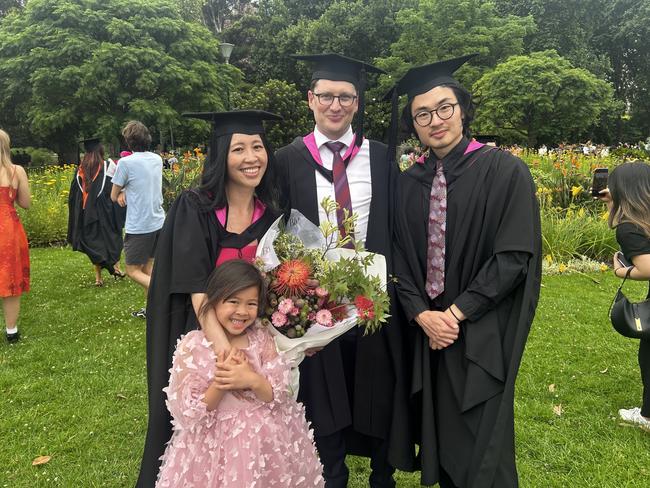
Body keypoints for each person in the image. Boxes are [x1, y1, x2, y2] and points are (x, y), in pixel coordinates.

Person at [389, 54, 542, 487]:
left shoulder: (504, 171)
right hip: (426, 331)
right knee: (439, 439)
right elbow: (398, 255)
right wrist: (422, 314)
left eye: (444, 107)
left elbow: (514, 256)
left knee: (482, 445)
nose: (435, 120)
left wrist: (455, 314)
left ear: (463, 110)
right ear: (413, 125)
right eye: (422, 114)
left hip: (478, 327)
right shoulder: (407, 182)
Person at [274, 54, 413, 487]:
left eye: (346, 97)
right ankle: (331, 473)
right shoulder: (288, 160)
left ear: (357, 103)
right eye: (327, 96)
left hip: (373, 300)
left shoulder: (383, 157)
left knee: (379, 387)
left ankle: (381, 474)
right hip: (319, 303)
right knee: (324, 391)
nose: (336, 105)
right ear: (311, 100)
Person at [136, 110, 283, 487]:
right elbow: (195, 285)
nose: (251, 158)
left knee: (248, 434)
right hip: (199, 334)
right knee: (198, 432)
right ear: (221, 156)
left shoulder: (271, 217)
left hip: (251, 334)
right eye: (239, 149)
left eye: (258, 147)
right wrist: (224, 351)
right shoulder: (196, 207)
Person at [155, 259, 324, 487]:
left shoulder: (262, 339)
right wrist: (222, 382)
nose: (242, 312)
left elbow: (280, 393)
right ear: (213, 301)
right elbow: (188, 413)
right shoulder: (193, 346)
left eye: (251, 304)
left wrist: (252, 380)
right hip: (213, 448)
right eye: (233, 301)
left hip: (266, 444)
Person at [599, 161, 650, 432]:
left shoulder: (630, 227)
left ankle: (648, 417)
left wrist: (621, 271)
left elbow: (647, 268)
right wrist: (613, 204)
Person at [111, 121, 165, 318]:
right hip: (158, 222)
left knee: (133, 271)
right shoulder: (157, 159)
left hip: (140, 226)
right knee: (148, 267)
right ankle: (152, 311)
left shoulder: (125, 163)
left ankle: (163, 291)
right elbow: (140, 183)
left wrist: (122, 191)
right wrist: (126, 190)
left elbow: (112, 195)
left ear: (128, 141)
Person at [67, 137, 126, 286]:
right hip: (106, 211)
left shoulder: (80, 169)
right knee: (112, 237)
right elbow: (119, 185)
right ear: (100, 150)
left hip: (87, 213)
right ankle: (116, 268)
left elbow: (74, 195)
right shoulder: (109, 165)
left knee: (95, 242)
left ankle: (98, 278)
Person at [0, 129, 30, 343]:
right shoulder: (16, 171)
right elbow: (25, 203)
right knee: (10, 279)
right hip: (8, 229)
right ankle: (12, 331)